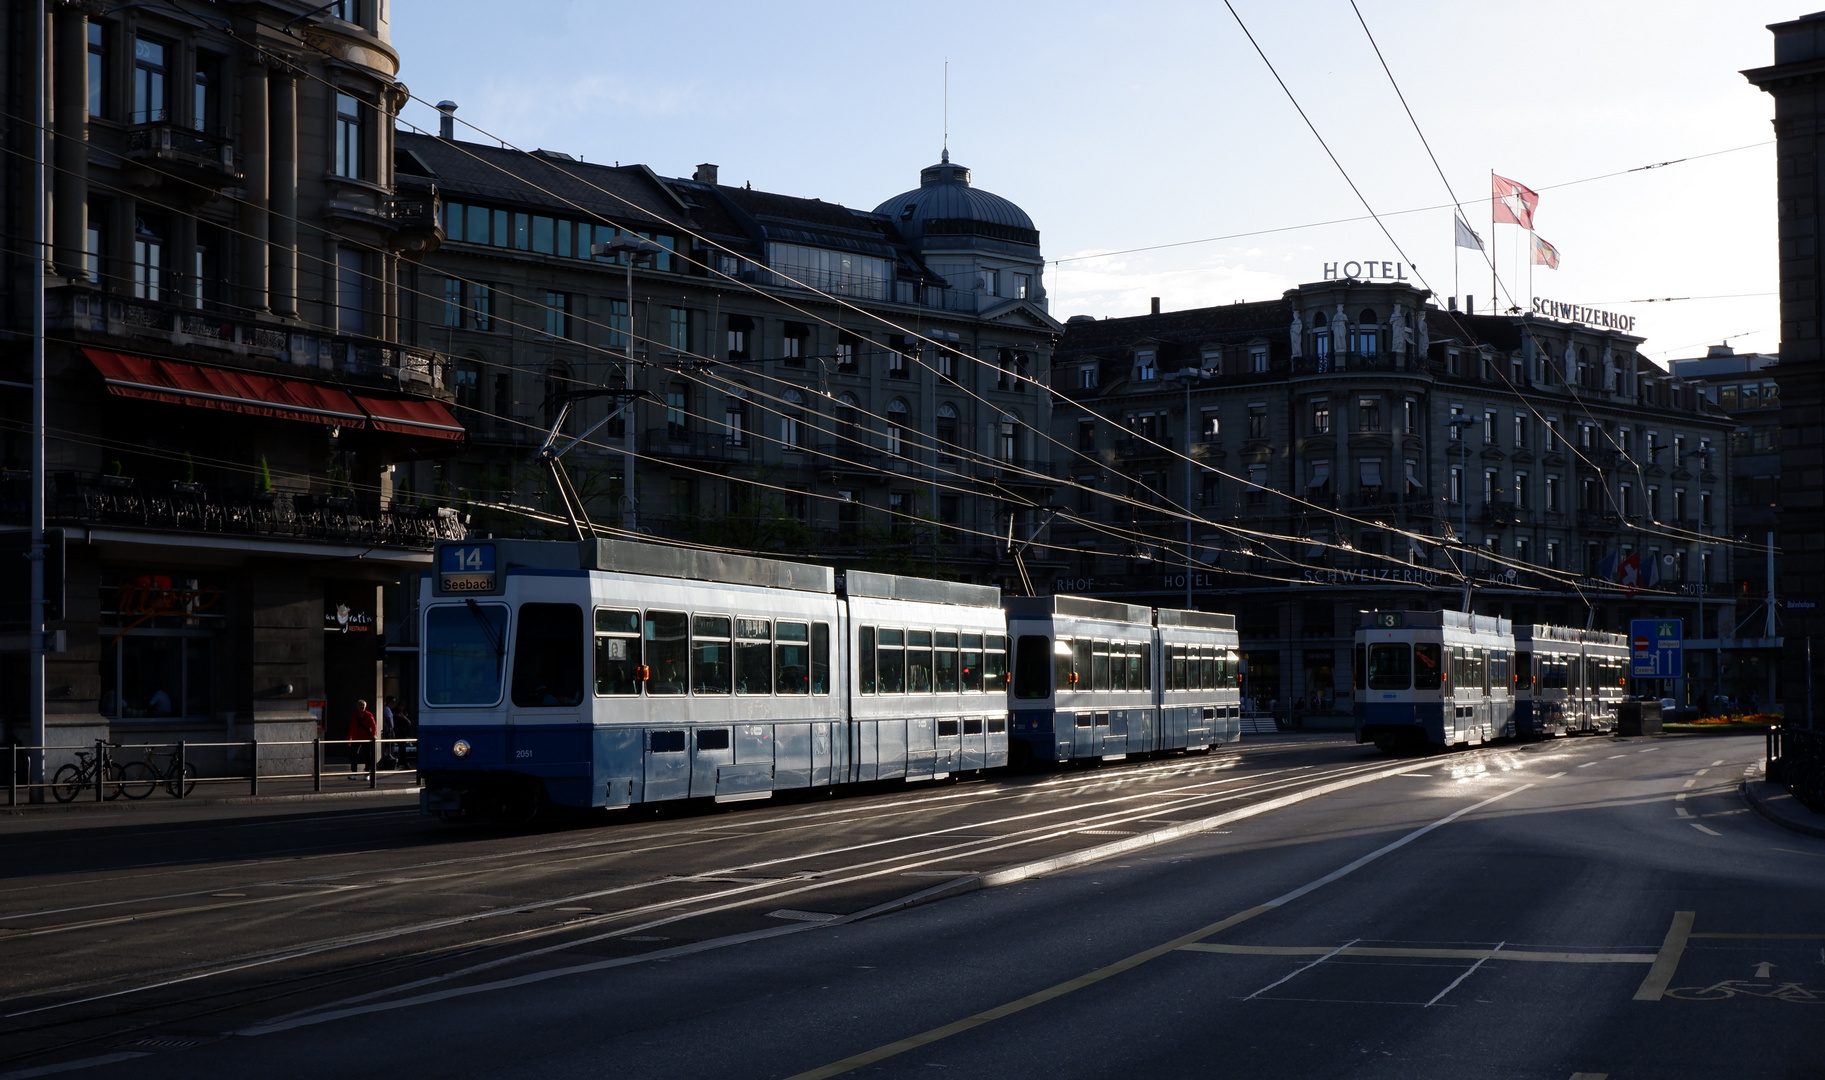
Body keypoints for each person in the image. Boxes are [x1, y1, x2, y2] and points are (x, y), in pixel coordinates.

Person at [346, 699, 378, 777]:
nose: (362, 707)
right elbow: (351, 728)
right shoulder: (354, 715)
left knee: (367, 755)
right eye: (360, 705)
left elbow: (374, 726)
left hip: (366, 738)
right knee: (354, 755)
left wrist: (373, 736)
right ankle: (354, 773)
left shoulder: (369, 715)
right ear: (357, 706)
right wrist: (349, 739)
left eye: (363, 705)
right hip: (356, 737)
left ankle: (367, 773)